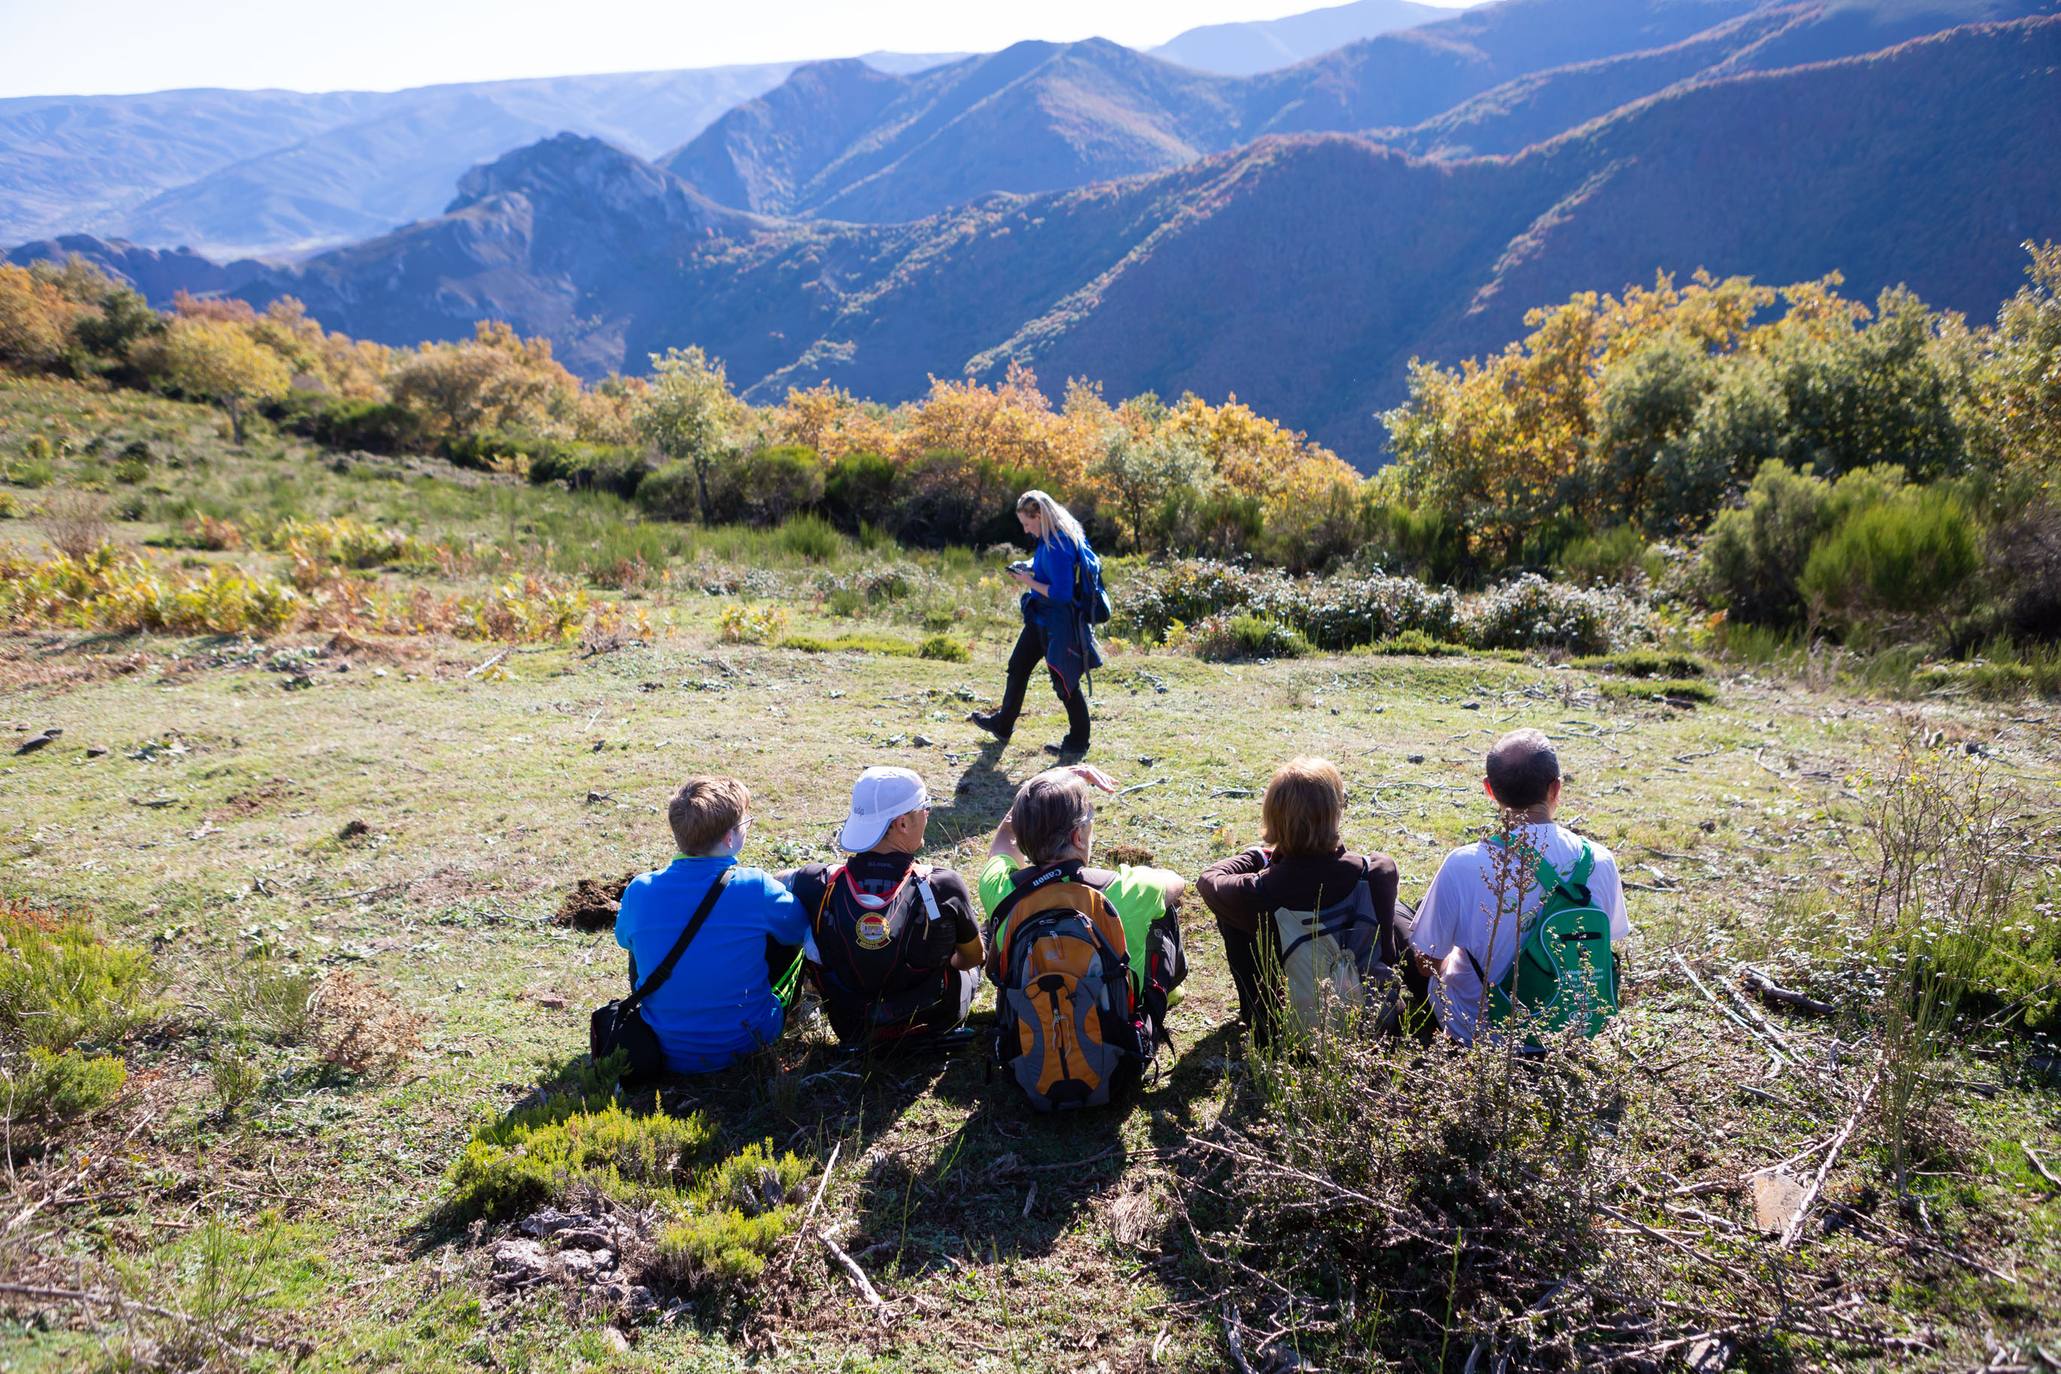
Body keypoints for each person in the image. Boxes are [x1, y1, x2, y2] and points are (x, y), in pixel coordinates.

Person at [1407, 729, 1632, 1044]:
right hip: (1572, 1034)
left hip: (1480, 1033)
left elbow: (1426, 962)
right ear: (1556, 788)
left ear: (1489, 790)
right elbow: (1607, 943)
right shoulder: (1600, 860)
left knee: (1407, 922)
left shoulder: (1462, 864)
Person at [1196, 757, 1402, 1047]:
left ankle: (1259, 1017)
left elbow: (1208, 880)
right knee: (1399, 911)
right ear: (1335, 812)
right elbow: (1389, 953)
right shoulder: (1379, 871)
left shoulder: (1257, 891)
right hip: (1376, 1031)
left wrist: (1257, 857)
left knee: (1231, 913)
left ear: (1273, 817)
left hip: (1297, 1043)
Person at [777, 766, 985, 1050]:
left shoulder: (815, 883)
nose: (929, 814)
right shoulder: (944, 884)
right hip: (933, 1019)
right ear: (901, 823)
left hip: (853, 1027)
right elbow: (972, 958)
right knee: (977, 940)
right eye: (926, 807)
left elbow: (772, 882)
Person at [614, 776, 809, 1074]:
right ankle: (798, 1012)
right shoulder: (755, 885)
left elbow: (623, 939)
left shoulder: (639, 890)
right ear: (730, 838)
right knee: (784, 938)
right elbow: (798, 929)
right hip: (751, 1041)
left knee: (637, 942)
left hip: (664, 1048)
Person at [979, 764, 1187, 1027]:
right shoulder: (1127, 888)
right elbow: (1177, 882)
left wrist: (1043, 787)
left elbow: (1003, 840)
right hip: (1118, 1050)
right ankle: (1164, 994)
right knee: (1162, 911)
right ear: (1078, 836)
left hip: (1031, 1047)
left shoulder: (999, 888)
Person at [970, 490, 1103, 757]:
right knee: (1018, 667)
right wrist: (1026, 566)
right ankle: (1003, 724)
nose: (1026, 530)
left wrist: (1027, 582)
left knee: (1064, 682)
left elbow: (1062, 593)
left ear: (1040, 515)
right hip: (1040, 617)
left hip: (1057, 623)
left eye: (1028, 523)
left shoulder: (1058, 544)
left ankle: (1078, 741)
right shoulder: (1049, 538)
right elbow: (1043, 565)